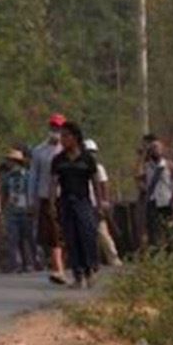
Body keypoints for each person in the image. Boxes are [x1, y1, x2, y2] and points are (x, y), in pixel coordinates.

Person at [52, 122, 101, 289]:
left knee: (87, 236)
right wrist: (52, 204)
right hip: (66, 202)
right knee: (71, 238)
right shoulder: (58, 160)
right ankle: (78, 275)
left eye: (66, 136)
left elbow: (95, 182)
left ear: (75, 137)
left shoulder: (87, 159)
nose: (63, 139)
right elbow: (53, 183)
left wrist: (100, 204)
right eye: (62, 136)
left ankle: (91, 271)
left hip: (83, 202)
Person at [28, 114, 69, 285]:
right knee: (53, 234)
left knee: (67, 232)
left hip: (67, 196)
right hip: (47, 197)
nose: (55, 131)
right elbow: (33, 177)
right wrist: (32, 201)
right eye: (53, 127)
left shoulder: (68, 149)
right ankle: (58, 269)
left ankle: (67, 267)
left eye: (59, 128)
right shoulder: (39, 151)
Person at [82, 140, 121, 268]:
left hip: (96, 204)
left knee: (102, 232)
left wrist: (104, 202)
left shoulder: (98, 168)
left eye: (93, 152)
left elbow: (104, 185)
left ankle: (113, 258)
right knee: (85, 234)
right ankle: (91, 260)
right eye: (89, 152)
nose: (91, 155)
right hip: (83, 204)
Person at [0, 148, 36, 273]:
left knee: (27, 238)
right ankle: (15, 264)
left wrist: (33, 207)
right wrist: (2, 211)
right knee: (13, 238)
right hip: (12, 210)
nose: (9, 163)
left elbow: (32, 192)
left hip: (26, 210)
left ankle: (29, 263)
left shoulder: (28, 175)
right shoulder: (7, 177)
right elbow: (4, 194)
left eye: (11, 161)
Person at [142, 140, 173, 250]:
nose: (155, 151)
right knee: (154, 229)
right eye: (153, 149)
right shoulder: (147, 166)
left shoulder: (168, 164)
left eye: (157, 148)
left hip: (167, 200)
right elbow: (137, 176)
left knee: (169, 228)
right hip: (153, 200)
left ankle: (170, 250)